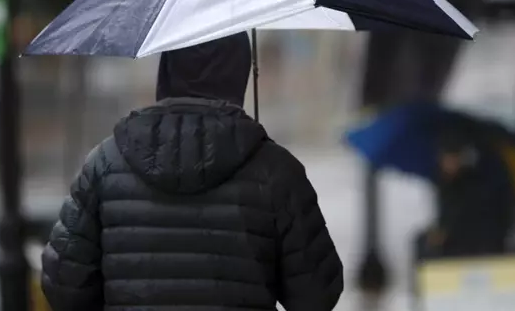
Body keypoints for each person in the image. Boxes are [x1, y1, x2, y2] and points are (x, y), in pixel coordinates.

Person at [41, 32, 344, 311]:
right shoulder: (277, 170)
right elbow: (317, 295)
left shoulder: (104, 163)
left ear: (167, 70)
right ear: (238, 72)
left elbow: (63, 285)